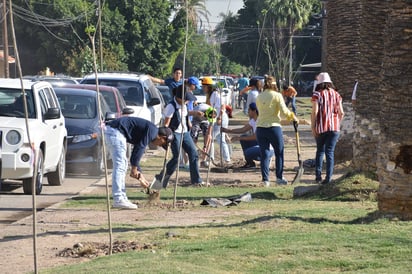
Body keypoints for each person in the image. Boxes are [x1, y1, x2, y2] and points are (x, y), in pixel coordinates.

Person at [105, 117, 174, 209]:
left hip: (114, 131)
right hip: (115, 131)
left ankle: (122, 197)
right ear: (163, 137)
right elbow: (141, 147)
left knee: (122, 165)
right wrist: (134, 168)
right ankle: (118, 199)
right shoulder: (153, 131)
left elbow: (137, 149)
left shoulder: (150, 131)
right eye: (162, 144)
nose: (160, 145)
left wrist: (140, 176)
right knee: (120, 166)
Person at [151, 85, 206, 189]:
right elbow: (166, 124)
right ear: (179, 98)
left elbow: (184, 113)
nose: (187, 102)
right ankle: (161, 178)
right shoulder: (171, 107)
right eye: (186, 99)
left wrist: (194, 113)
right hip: (174, 133)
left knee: (193, 154)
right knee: (176, 158)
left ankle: (196, 180)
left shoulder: (184, 105)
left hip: (184, 132)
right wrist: (166, 138)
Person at [256, 76, 298, 187]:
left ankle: (265, 180)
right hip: (274, 127)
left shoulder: (259, 96)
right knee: (279, 152)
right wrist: (293, 117)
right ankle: (279, 178)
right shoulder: (277, 95)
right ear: (275, 85)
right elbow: (284, 112)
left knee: (264, 154)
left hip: (260, 128)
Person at [311, 72, 344, 184]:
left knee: (320, 151)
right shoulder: (337, 94)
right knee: (330, 152)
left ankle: (318, 176)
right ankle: (328, 178)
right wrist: (337, 123)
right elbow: (342, 113)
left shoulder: (317, 94)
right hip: (334, 128)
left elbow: (315, 112)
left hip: (321, 127)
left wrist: (313, 127)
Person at [221, 102, 274, 168]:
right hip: (260, 144)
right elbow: (242, 129)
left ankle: (266, 159)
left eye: (249, 110)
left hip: (268, 148)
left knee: (247, 152)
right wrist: (227, 130)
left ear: (254, 111)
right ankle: (250, 163)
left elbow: (255, 137)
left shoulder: (259, 121)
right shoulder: (253, 121)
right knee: (244, 137)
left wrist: (238, 138)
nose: (248, 112)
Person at [201, 77, 231, 165]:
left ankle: (210, 158)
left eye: (204, 86)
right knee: (220, 139)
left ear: (208, 86)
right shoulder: (210, 95)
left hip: (220, 118)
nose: (203, 88)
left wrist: (219, 118)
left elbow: (222, 106)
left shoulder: (215, 94)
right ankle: (226, 159)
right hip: (216, 118)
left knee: (210, 137)